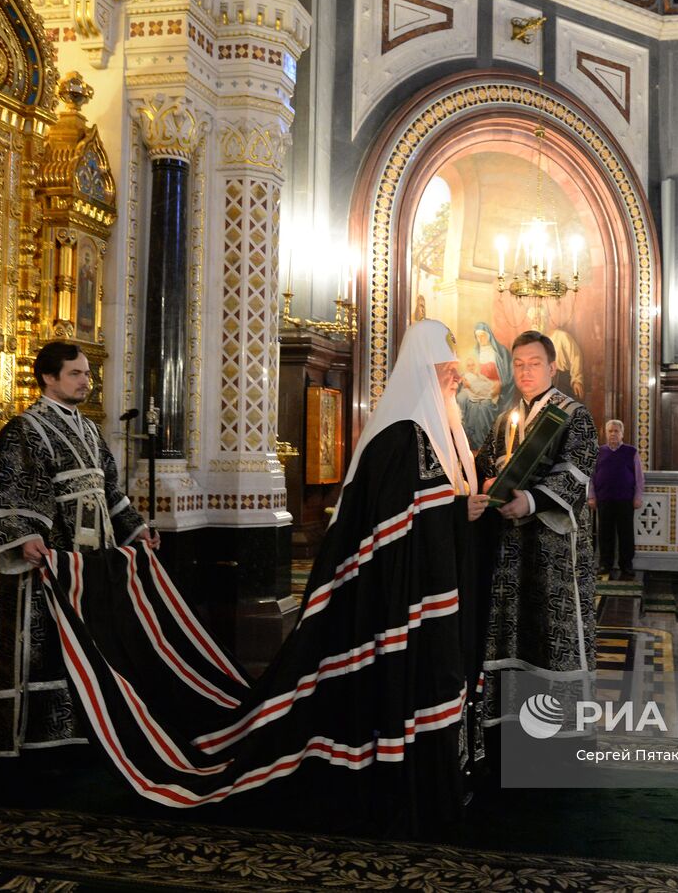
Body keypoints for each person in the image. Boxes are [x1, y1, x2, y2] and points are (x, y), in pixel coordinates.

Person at [30, 320, 493, 826]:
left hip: (426, 588)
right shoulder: (402, 436)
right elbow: (395, 524)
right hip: (395, 599)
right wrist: (455, 511)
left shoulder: (438, 429)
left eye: (455, 372)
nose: (454, 380)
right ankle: (37, 741)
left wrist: (462, 509)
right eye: (445, 371)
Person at [0, 341, 158, 765]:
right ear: (49, 377)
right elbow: (14, 489)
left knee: (89, 638)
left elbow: (109, 490)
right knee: (44, 641)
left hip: (91, 562)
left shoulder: (87, 428)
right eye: (77, 374)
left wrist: (136, 530)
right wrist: (23, 533)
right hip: (49, 559)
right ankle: (40, 739)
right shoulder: (25, 428)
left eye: (87, 374)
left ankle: (88, 725)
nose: (87, 381)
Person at [476, 330, 598, 731]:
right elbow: (489, 465)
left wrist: (528, 501)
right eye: (520, 364)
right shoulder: (503, 419)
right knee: (513, 626)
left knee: (552, 630)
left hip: (554, 547)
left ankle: (562, 728)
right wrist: (491, 484)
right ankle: (511, 719)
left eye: (534, 364)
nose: (526, 371)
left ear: (552, 367)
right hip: (511, 547)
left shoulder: (573, 414)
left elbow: (577, 469)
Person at [587, 419, 643, 581]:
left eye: (616, 431)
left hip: (625, 499)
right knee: (605, 533)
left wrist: (638, 497)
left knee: (626, 534)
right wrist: (591, 496)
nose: (613, 434)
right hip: (603, 499)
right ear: (605, 433)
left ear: (622, 434)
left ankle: (626, 565)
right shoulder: (598, 452)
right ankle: (605, 564)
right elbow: (591, 477)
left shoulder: (631, 452)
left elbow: (639, 478)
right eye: (610, 431)